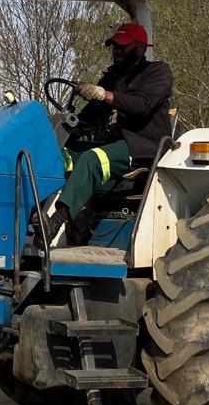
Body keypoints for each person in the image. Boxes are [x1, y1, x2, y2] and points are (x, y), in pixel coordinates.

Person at [45, 22, 174, 242]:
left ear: (142, 48)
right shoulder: (113, 78)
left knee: (92, 159)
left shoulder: (158, 72)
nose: (117, 51)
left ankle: (57, 220)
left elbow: (142, 105)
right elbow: (91, 115)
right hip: (113, 144)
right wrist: (62, 129)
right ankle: (33, 214)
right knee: (59, 155)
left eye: (123, 46)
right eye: (114, 46)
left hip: (143, 146)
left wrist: (103, 94)